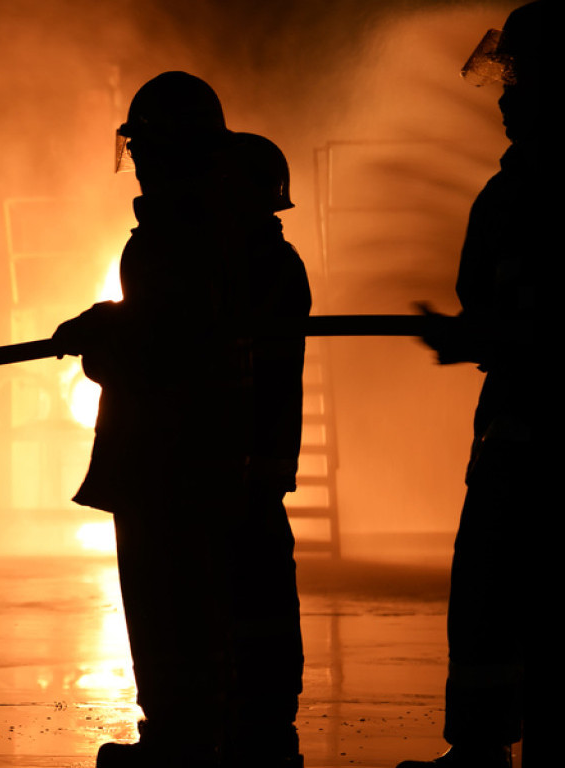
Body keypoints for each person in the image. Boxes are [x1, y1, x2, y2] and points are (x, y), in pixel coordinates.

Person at [53, 71, 247, 768]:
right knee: (184, 603)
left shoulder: (178, 235)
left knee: (170, 604)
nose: (137, 159)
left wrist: (101, 347)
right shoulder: (205, 227)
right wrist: (107, 320)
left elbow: (169, 349)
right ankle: (184, 731)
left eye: (144, 147)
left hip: (166, 460)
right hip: (180, 457)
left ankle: (178, 739)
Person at [399, 2, 562, 767]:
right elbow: (484, 296)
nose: (504, 95)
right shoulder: (508, 193)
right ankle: (478, 751)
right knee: (485, 604)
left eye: (522, 78)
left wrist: (490, 337)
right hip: (509, 434)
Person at [218, 132, 310, 768]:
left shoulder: (253, 267)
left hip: (238, 461)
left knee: (251, 588)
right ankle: (260, 713)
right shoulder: (266, 262)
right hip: (249, 461)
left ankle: (261, 715)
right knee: (257, 585)